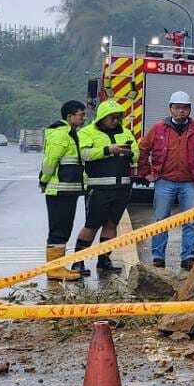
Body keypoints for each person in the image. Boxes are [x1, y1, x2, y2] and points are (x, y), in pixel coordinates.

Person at [138, 90, 194, 270]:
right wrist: (146, 172)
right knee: (161, 221)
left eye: (185, 108)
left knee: (190, 222)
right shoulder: (158, 129)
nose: (181, 111)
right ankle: (158, 257)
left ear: (189, 110)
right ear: (170, 109)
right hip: (164, 181)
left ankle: (188, 258)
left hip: (190, 183)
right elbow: (143, 149)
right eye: (177, 108)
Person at [75, 99, 137, 275]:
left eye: (118, 117)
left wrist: (130, 153)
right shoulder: (87, 132)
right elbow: (84, 154)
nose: (116, 121)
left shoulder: (126, 132)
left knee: (111, 224)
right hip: (98, 188)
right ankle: (77, 262)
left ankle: (104, 261)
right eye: (112, 118)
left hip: (122, 188)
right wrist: (108, 150)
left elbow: (136, 154)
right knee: (91, 226)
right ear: (102, 118)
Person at [38, 100, 89, 282]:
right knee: (59, 230)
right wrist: (43, 180)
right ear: (69, 116)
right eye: (81, 114)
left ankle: (58, 267)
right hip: (59, 191)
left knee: (64, 229)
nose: (83, 117)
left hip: (69, 191)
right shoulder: (61, 134)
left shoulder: (71, 133)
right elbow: (50, 161)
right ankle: (54, 269)